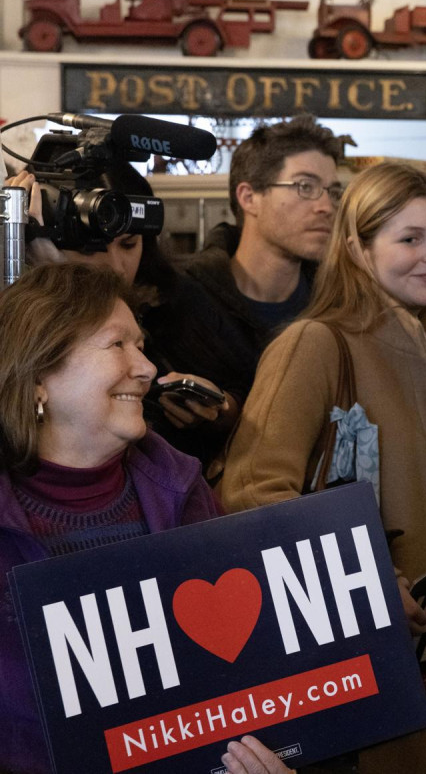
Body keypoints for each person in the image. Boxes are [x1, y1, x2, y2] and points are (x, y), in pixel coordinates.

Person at [218, 162, 426, 774]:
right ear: (356, 249)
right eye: (409, 238)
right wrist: (363, 582)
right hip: (355, 675)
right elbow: (249, 493)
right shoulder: (316, 343)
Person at [0, 263, 287, 774]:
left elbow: (242, 674)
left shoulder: (181, 487)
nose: (148, 368)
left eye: (142, 344)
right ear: (39, 373)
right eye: (117, 345)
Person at [5, 164, 237, 466]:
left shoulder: (176, 295)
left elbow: (244, 390)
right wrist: (58, 281)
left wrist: (218, 408)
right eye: (92, 248)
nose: (116, 266)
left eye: (129, 244)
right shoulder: (23, 313)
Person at [183, 115, 346, 446]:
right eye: (305, 187)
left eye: (332, 191)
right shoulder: (187, 299)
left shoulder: (340, 302)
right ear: (248, 197)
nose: (326, 207)